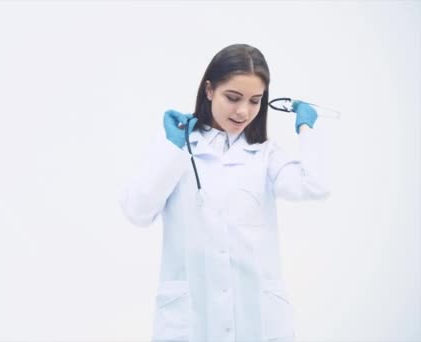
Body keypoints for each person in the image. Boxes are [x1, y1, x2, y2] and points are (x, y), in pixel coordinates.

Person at [119, 43, 330, 342]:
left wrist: (307, 128)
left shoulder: (265, 154)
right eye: (233, 97)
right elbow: (137, 212)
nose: (243, 111)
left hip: (257, 317)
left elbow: (314, 186)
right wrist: (172, 149)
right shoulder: (178, 146)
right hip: (191, 319)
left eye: (255, 101)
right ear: (209, 90)